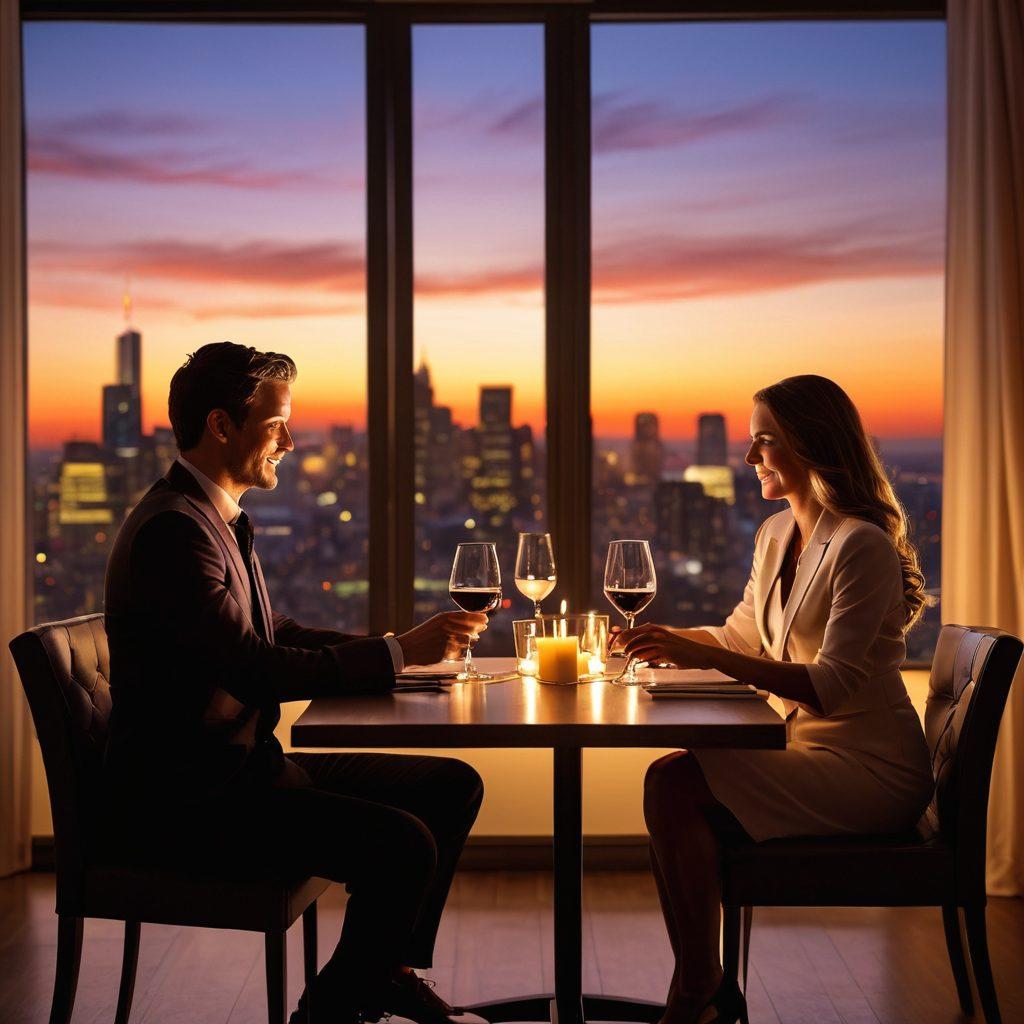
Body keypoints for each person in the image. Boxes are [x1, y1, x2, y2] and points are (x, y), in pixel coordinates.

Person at [104, 342, 487, 1024]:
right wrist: (398, 654)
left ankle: (384, 972)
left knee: (449, 786)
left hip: (241, 773)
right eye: (277, 423)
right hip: (195, 802)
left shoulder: (204, 516)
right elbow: (255, 668)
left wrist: (405, 652)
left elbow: (275, 634)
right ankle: (334, 1008)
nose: (291, 439)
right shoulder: (175, 533)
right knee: (404, 845)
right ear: (223, 426)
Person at [614, 375, 935, 1024]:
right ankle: (704, 984)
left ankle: (698, 987)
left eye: (764, 442)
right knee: (670, 782)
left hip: (869, 771)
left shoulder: (860, 545)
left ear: (810, 445)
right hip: (807, 753)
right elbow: (741, 637)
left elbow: (830, 685)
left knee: (673, 784)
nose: (750, 457)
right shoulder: (775, 534)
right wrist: (668, 642)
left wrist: (703, 655)